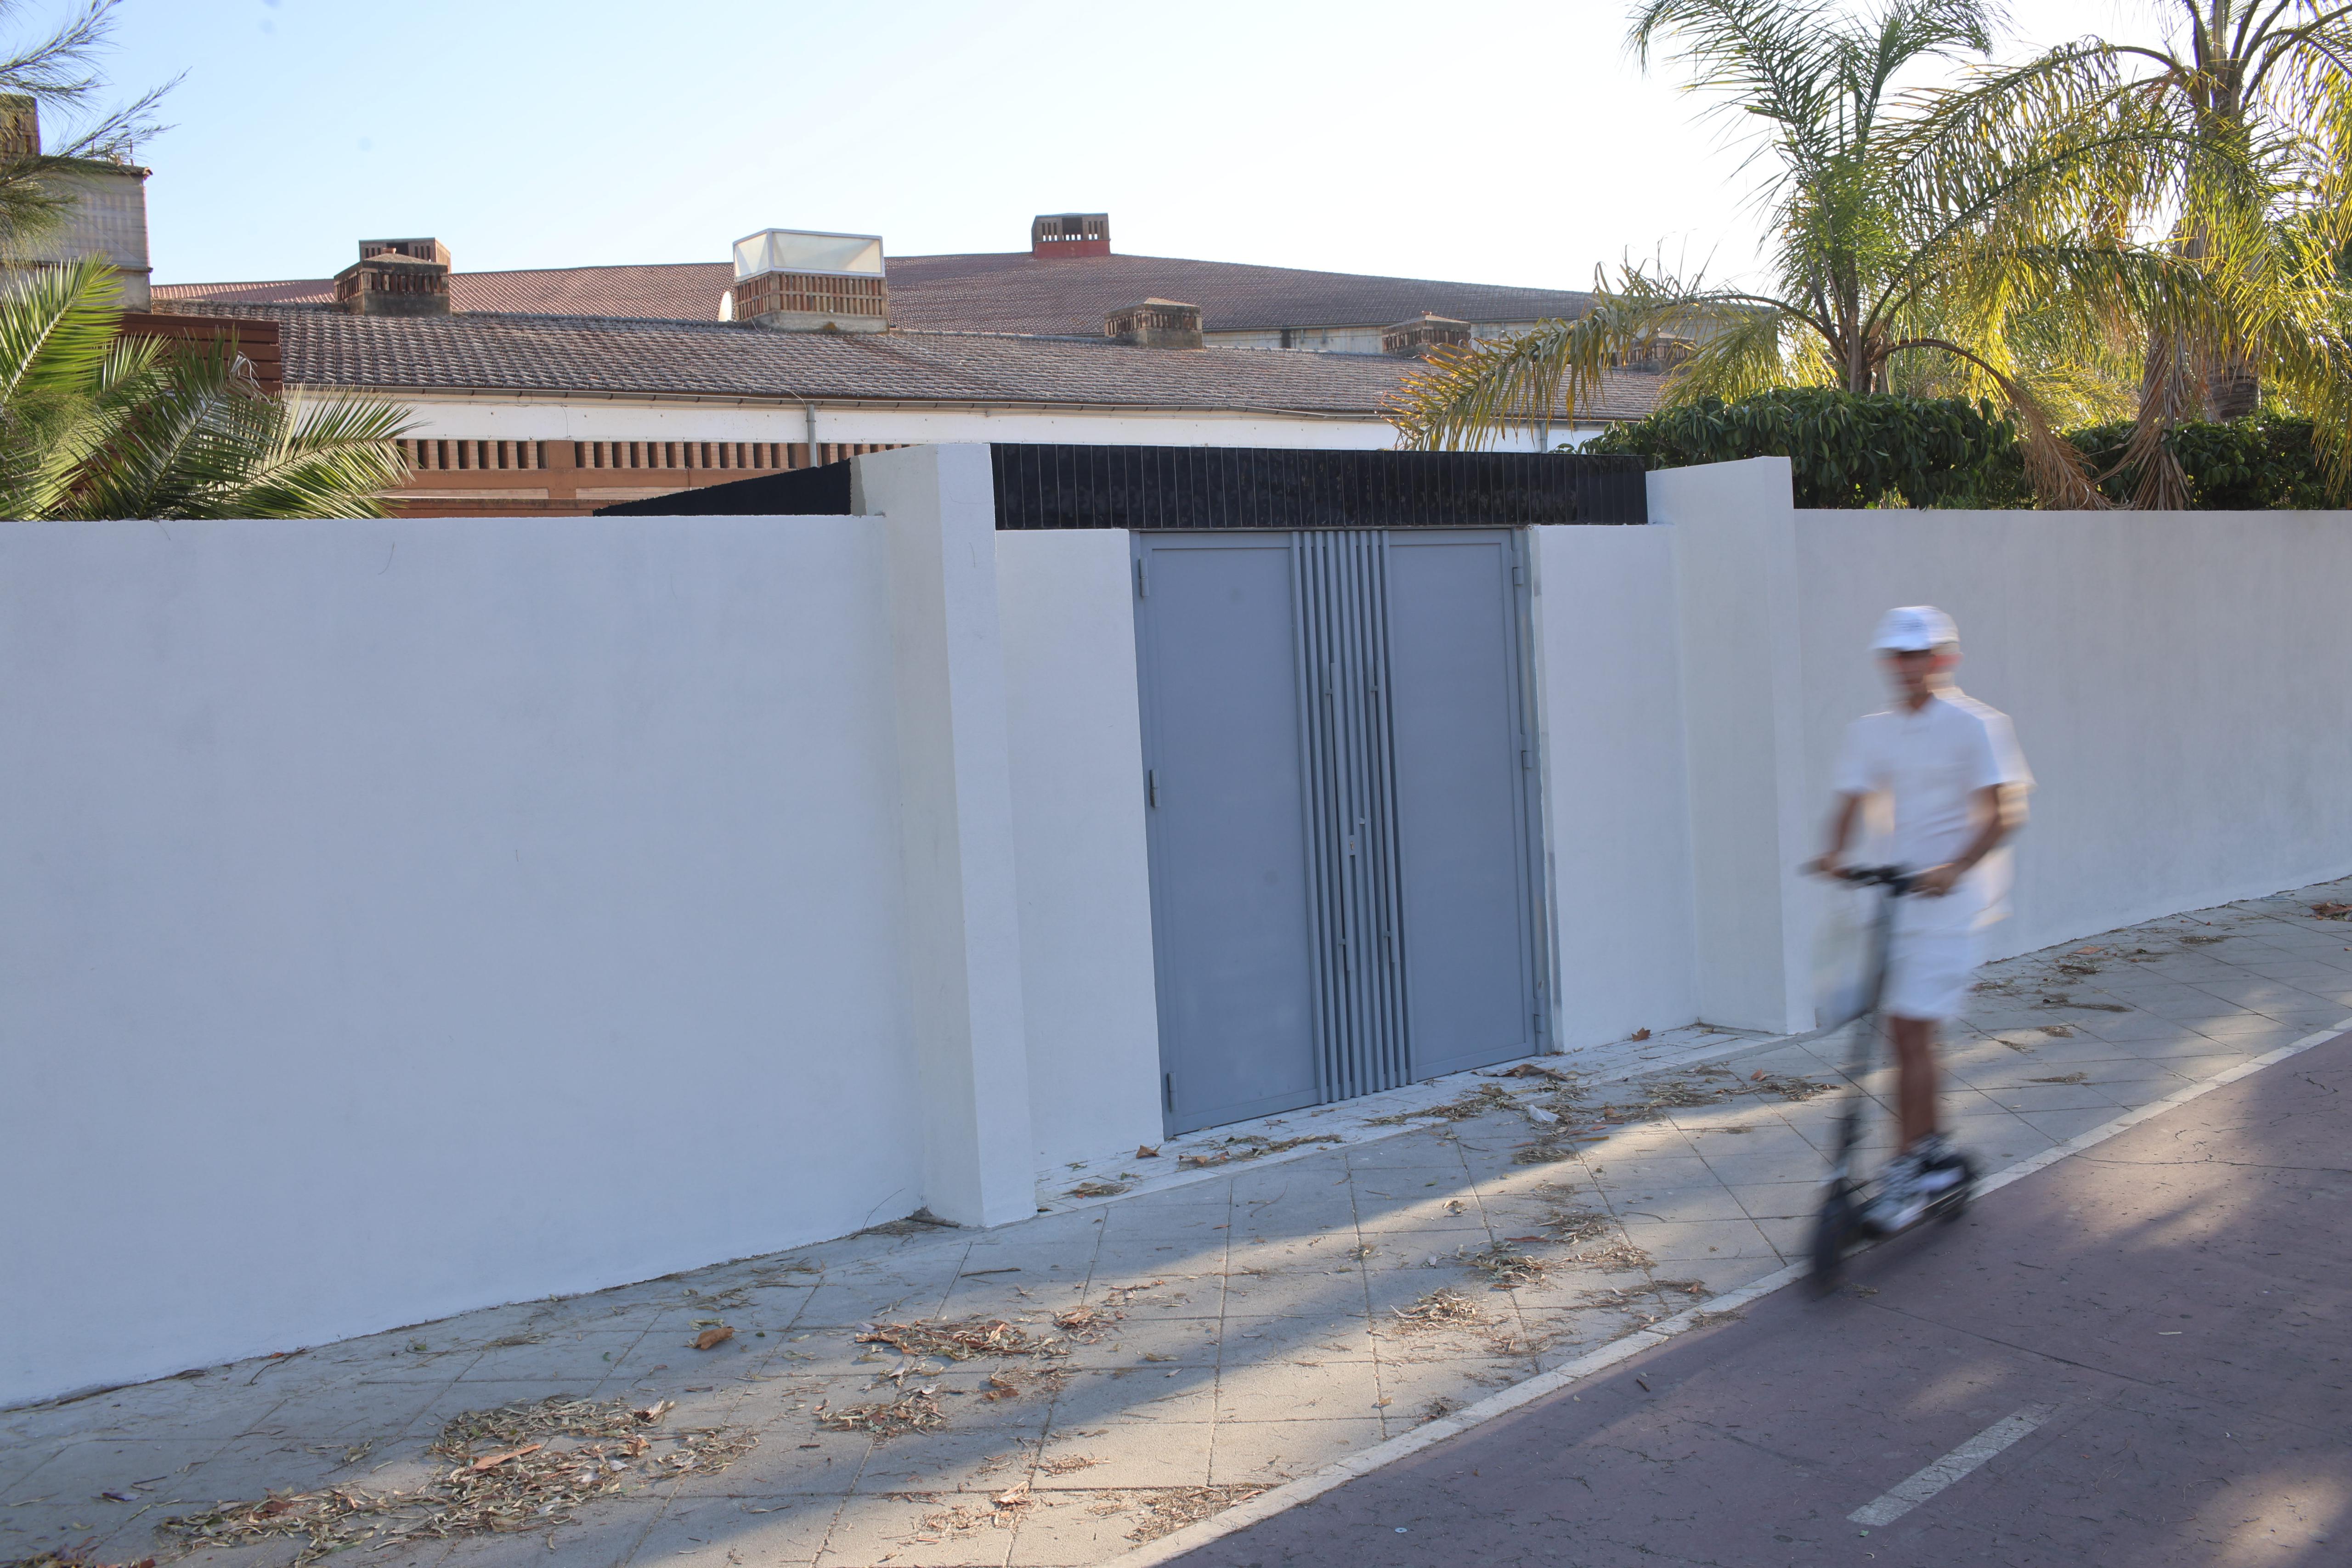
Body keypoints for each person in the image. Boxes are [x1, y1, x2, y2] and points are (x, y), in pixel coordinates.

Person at [1810, 605, 2033, 1234]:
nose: (1911, 666)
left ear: (1944, 659)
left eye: (1922, 654)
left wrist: (1955, 868)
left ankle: (1906, 1172)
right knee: (1903, 1035)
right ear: (1889, 663)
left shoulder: (1976, 726)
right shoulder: (1872, 731)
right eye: (1900, 656)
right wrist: (1833, 852)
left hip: (1954, 902)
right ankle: (1932, 1150)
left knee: (1910, 1027)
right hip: (1898, 900)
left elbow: (2003, 812)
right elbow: (1849, 800)